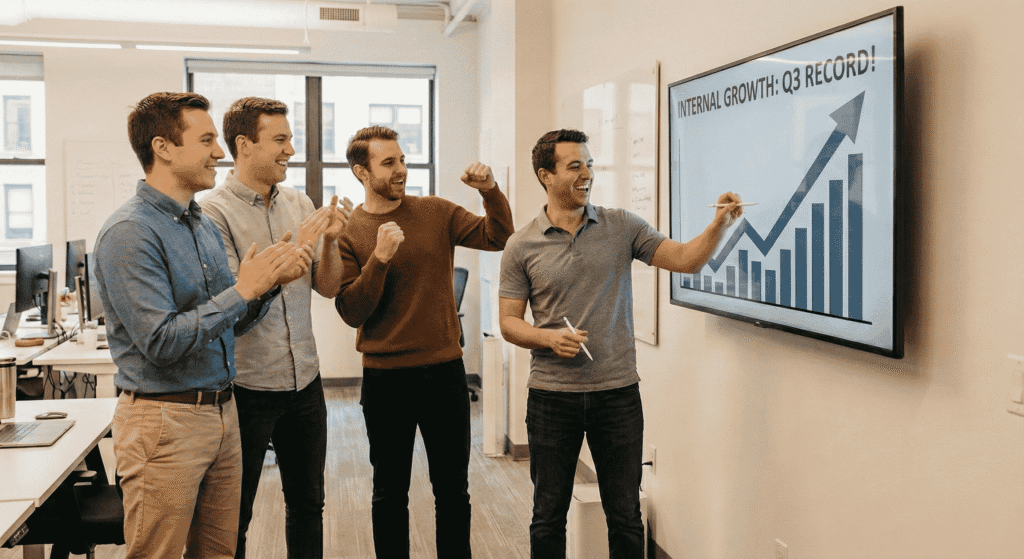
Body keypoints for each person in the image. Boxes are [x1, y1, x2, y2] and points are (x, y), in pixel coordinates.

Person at [498, 129, 742, 559]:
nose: (587, 173)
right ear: (545, 175)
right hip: (552, 398)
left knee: (626, 513)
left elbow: (684, 259)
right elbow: (509, 323)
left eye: (589, 164)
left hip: (617, 395)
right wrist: (548, 338)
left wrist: (718, 224)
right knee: (548, 514)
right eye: (574, 165)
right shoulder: (521, 245)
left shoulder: (622, 226)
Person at [94, 92, 307, 559]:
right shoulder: (130, 232)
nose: (219, 152)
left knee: (218, 553)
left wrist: (268, 283)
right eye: (207, 140)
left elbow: (229, 324)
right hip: (164, 422)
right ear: (163, 148)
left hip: (221, 412)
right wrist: (244, 291)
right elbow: (162, 341)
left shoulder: (200, 224)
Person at [334, 125, 514, 558]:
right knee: (389, 492)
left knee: (453, 490)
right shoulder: (350, 231)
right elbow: (351, 310)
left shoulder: (435, 211)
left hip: (444, 375)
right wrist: (378, 259)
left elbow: (498, 236)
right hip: (385, 380)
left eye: (402, 159)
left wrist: (490, 191)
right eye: (388, 162)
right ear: (361, 171)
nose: (401, 169)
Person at [199, 97, 352, 559]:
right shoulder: (213, 214)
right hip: (246, 388)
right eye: (280, 140)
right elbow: (233, 315)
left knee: (309, 505)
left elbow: (326, 287)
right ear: (245, 145)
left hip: (305, 380)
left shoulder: (299, 201)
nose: (290, 151)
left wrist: (330, 241)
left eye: (290, 140)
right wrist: (282, 266)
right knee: (235, 513)